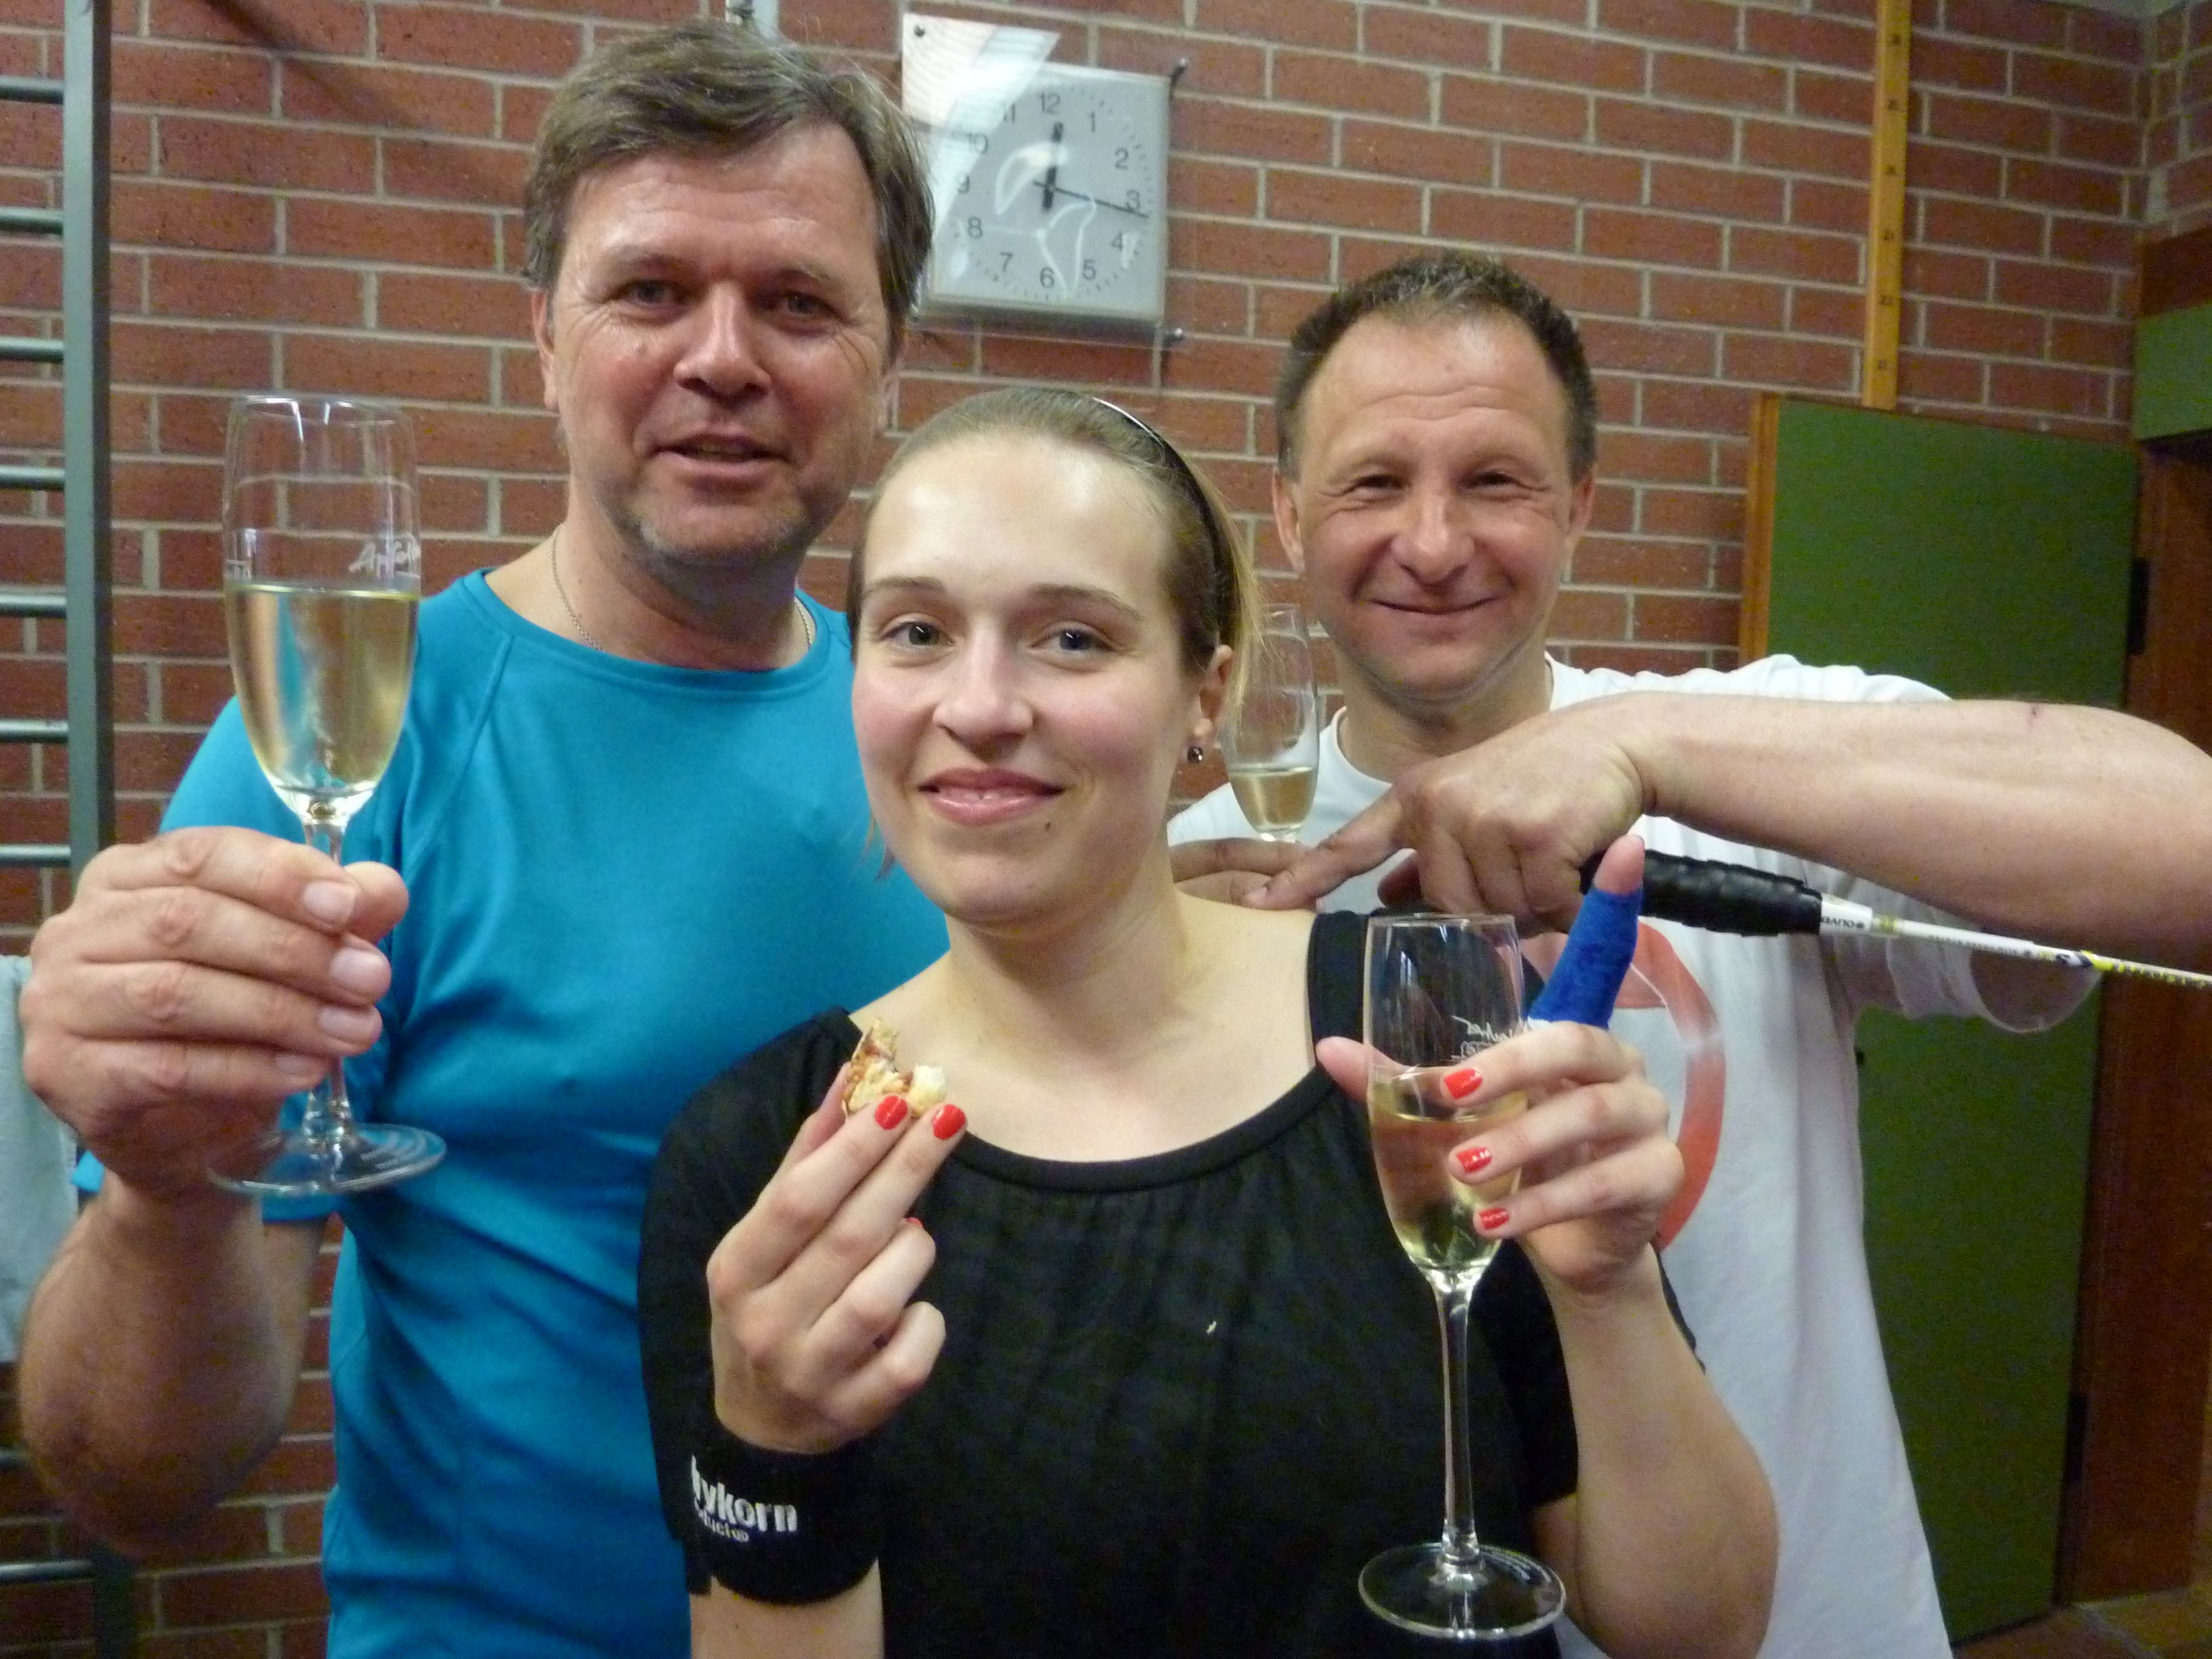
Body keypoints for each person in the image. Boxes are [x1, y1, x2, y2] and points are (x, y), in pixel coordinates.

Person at [15, 24, 946, 1657]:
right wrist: (165, 1195)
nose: (724, 358)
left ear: (891, 362)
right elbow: (135, 1487)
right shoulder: (348, 744)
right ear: (544, 339)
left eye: (800, 303)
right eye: (649, 290)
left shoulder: (948, 734)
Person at [1168, 251, 2212, 1659]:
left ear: (1582, 503)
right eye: (1372, 483)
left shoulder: (1749, 750)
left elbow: (2188, 848)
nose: (1433, 541)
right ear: (1291, 512)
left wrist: (1650, 745)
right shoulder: (1203, 869)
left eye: (1496, 480)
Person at [635, 387, 1777, 1659]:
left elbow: (1703, 1629)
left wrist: (1610, 1294)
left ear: (1206, 695)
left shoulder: (1415, 1044)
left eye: (1073, 638)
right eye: (916, 632)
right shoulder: (767, 1164)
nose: (981, 704)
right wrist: (775, 1452)